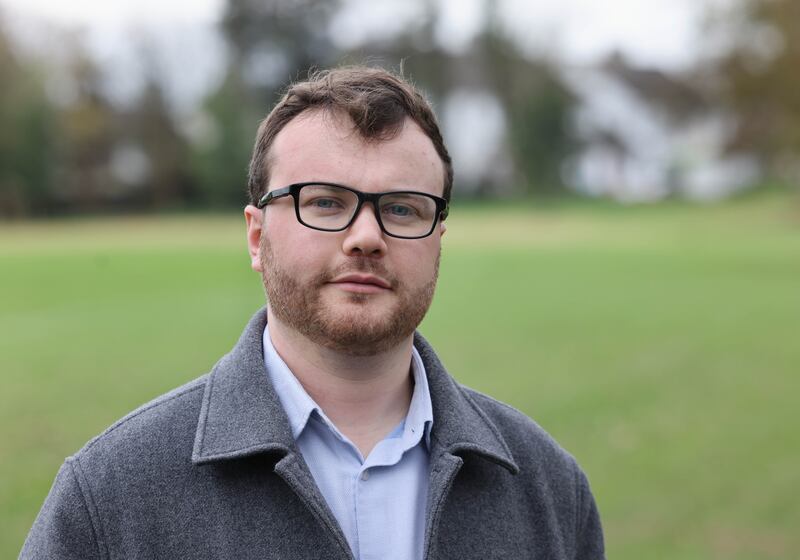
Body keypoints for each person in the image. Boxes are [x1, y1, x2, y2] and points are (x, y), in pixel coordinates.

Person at [21, 66, 605, 560]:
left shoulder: (549, 489)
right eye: (325, 202)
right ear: (256, 237)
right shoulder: (110, 496)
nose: (366, 237)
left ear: (438, 240)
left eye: (402, 209)